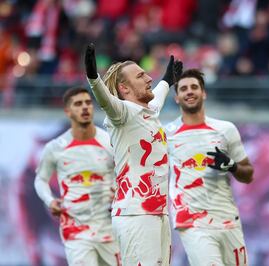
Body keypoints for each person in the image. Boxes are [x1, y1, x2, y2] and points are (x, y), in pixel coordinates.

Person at [85, 43, 182, 265]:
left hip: (158, 213)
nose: (149, 78)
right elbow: (106, 102)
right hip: (135, 214)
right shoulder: (122, 114)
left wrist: (167, 80)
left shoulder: (148, 111)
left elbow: (158, 96)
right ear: (124, 89)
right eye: (140, 76)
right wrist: (93, 78)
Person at [165, 69, 254, 266]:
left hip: (228, 218)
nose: (189, 92)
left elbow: (248, 175)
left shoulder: (225, 130)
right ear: (177, 97)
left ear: (203, 93)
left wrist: (232, 166)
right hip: (191, 222)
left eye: (194, 87)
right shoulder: (166, 135)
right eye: (184, 88)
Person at [34, 87, 121, 265]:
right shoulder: (56, 147)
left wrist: (118, 194)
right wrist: (49, 200)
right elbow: (40, 180)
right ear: (67, 111)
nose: (84, 107)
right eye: (78, 104)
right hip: (75, 230)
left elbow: (124, 174)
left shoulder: (110, 141)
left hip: (109, 228)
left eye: (88, 103)